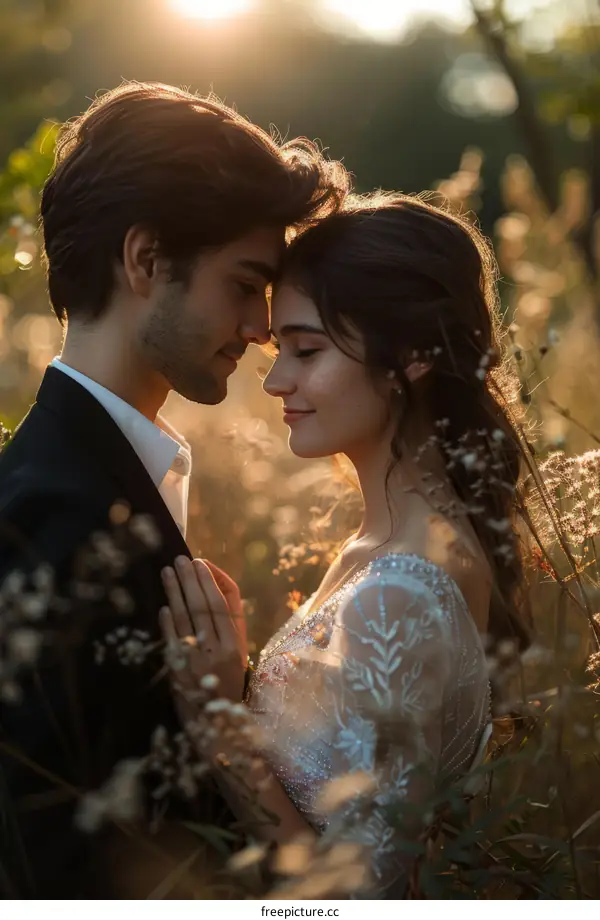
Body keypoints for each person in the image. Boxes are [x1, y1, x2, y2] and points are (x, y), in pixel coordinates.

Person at [0, 81, 348, 898]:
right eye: (243, 284)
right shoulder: (51, 518)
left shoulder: (93, 476)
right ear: (147, 260)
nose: (262, 328)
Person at [160, 192, 532, 898]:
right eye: (278, 350)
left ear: (413, 357)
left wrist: (218, 722)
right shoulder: (390, 546)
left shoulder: (399, 593)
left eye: (306, 350)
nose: (274, 380)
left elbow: (357, 895)